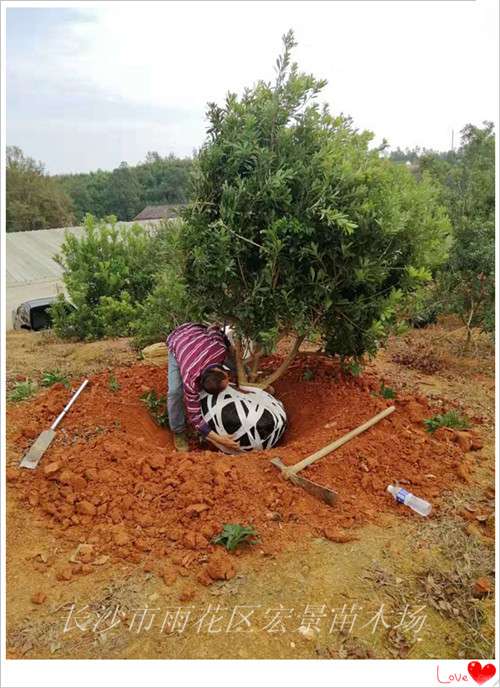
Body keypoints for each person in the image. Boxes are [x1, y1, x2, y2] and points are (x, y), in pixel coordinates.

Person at [166, 322, 240, 453]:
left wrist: (214, 329)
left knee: (236, 368)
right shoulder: (190, 380)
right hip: (178, 341)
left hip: (196, 331)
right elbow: (194, 416)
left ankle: (250, 385)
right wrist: (218, 439)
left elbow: (215, 331)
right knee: (175, 392)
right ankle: (178, 431)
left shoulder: (219, 349)